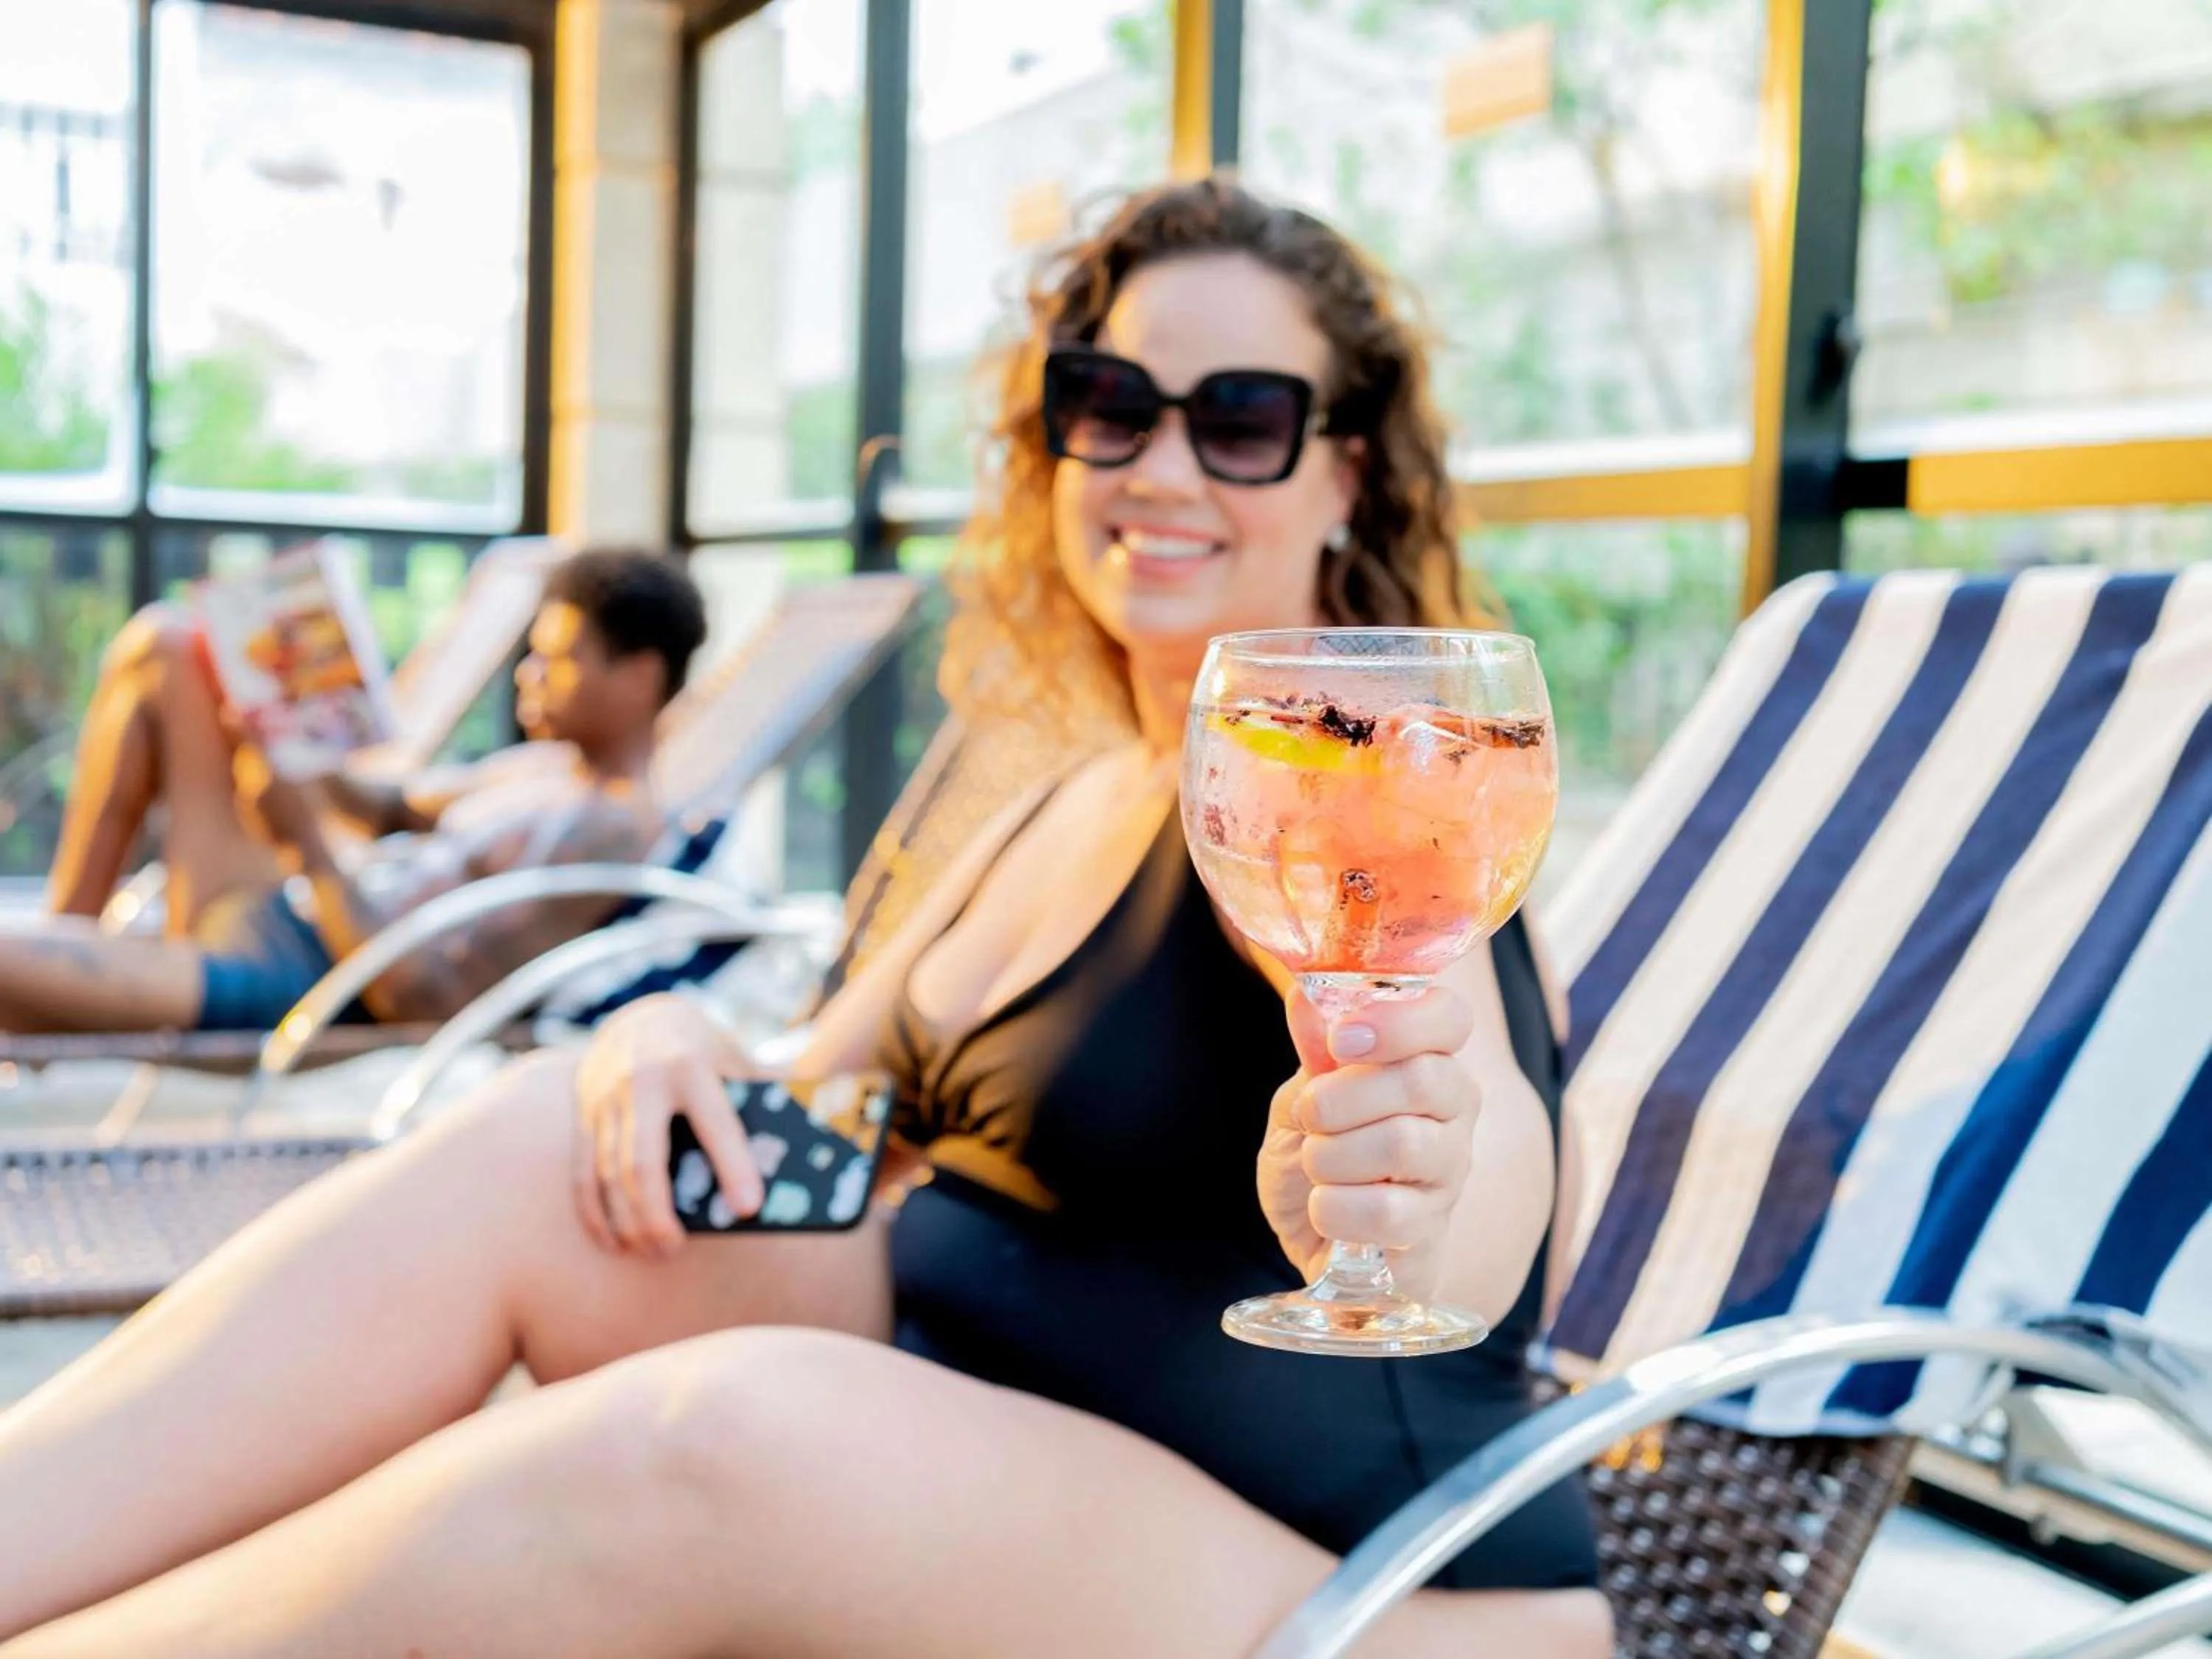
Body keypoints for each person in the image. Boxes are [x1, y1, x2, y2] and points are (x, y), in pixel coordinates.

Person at [0, 178, 1611, 1656]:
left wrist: (1408, 1179)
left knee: (713, 1441)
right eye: (1108, 407)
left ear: (1345, 469)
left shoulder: (1347, 763)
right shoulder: (1075, 788)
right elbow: (818, 1079)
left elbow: (1462, 1123)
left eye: (1241, 421)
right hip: (997, 1419)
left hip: (1383, 1591)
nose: (1160, 466)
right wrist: (661, 1027)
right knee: (549, 1136)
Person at [0, 547, 708, 1034]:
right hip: (286, 907)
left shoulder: (608, 828)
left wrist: (305, 847)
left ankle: (73, 967)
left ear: (640, 677)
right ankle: (76, 935)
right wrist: (286, 725)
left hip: (298, 976)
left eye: (559, 660)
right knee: (169, 645)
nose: (529, 674)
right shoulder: (542, 770)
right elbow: (386, 809)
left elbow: (425, 999)